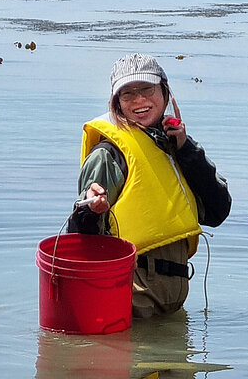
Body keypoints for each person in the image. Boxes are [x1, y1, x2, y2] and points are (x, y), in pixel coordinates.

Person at [67, 53, 231, 319]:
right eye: (128, 94)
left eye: (147, 90)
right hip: (128, 303)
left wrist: (186, 150)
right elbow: (79, 240)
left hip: (169, 310)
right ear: (116, 104)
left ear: (165, 93)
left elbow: (218, 211)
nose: (140, 100)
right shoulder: (108, 155)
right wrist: (91, 210)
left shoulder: (176, 147)